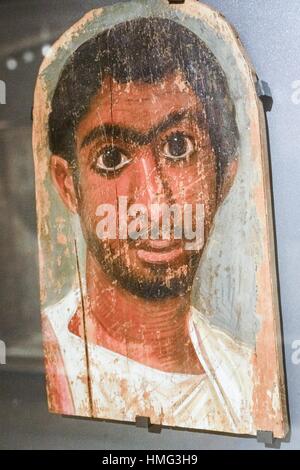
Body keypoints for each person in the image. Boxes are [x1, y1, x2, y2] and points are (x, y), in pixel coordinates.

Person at [43, 17, 254, 433]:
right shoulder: (51, 364)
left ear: (224, 176)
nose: (154, 202)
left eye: (179, 146)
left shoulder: (246, 374)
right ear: (69, 186)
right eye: (111, 158)